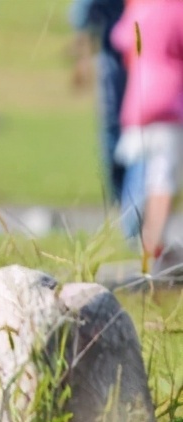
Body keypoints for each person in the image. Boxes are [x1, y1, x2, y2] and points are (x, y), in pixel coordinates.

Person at [112, 0, 183, 270]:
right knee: (164, 180)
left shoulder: (139, 7)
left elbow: (122, 42)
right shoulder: (177, 9)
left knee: (144, 173)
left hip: (139, 97)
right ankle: (153, 246)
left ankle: (141, 239)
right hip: (171, 98)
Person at [70, 0, 129, 207]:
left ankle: (134, 201)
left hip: (149, 53)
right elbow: (83, 10)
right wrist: (82, 57)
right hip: (114, 54)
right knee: (113, 127)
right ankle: (121, 198)